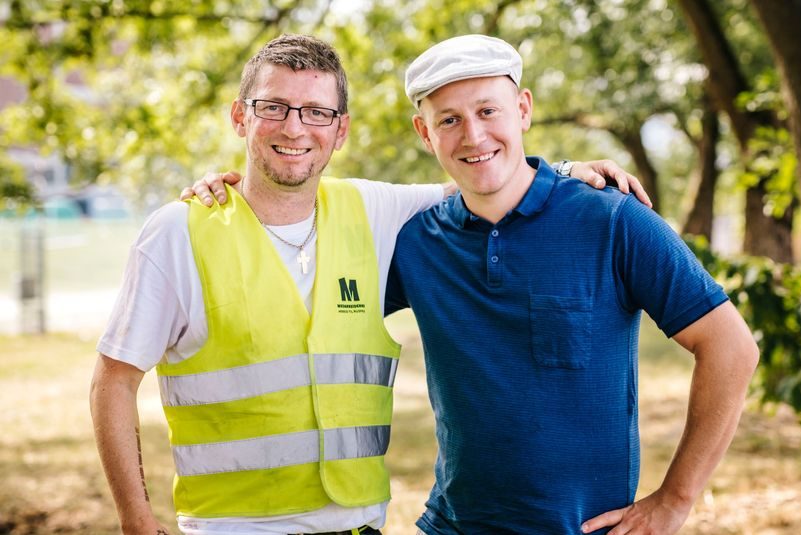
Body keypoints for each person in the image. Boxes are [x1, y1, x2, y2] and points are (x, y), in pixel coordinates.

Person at [91, 34, 649, 535]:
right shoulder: (177, 232)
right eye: (274, 107)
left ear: (341, 129)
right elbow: (113, 381)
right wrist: (135, 519)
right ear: (241, 117)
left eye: (316, 111)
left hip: (359, 527)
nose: (294, 127)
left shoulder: (379, 211)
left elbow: (487, 177)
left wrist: (567, 169)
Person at [382, 35, 760, 535]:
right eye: (448, 119)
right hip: (452, 526)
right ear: (425, 134)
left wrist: (674, 499)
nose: (473, 136)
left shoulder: (613, 220)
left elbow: (731, 348)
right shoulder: (414, 244)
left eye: (488, 111)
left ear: (523, 109)